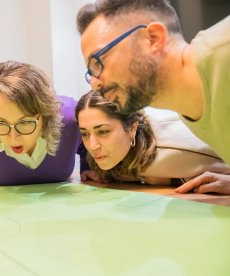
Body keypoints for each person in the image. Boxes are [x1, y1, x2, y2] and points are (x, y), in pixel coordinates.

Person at [76, 0, 230, 193]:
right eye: (91, 71)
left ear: (153, 38)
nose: (95, 83)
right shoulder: (191, 112)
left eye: (99, 60)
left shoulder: (223, 54)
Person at [0, 61, 89, 186]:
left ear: (45, 115)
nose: (13, 138)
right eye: (1, 123)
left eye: (25, 122)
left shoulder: (72, 119)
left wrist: (88, 166)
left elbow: (88, 139)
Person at [75, 91, 230, 194]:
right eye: (85, 133)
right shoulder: (115, 150)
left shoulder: (178, 143)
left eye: (103, 131)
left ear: (132, 128)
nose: (93, 145)